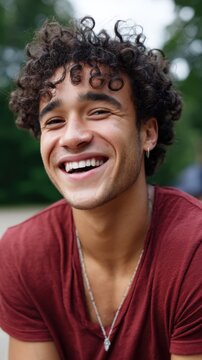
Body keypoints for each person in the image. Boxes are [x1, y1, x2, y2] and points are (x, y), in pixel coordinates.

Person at [0, 16, 201, 360]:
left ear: (147, 133)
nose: (74, 136)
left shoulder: (193, 252)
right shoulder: (23, 255)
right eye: (55, 121)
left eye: (98, 111)